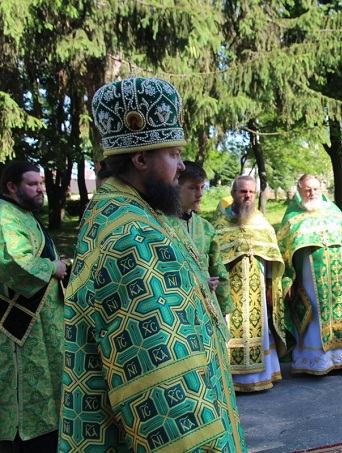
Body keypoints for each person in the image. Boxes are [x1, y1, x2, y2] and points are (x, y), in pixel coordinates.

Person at [59, 77, 246, 452]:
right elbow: (159, 377)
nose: (181, 167)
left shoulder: (133, 210)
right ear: (140, 158)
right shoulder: (133, 236)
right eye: (174, 155)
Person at [0, 161, 68, 452]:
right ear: (12, 187)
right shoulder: (4, 216)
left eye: (41, 183)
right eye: (33, 184)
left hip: (43, 326)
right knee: (26, 399)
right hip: (21, 329)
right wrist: (53, 267)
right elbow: (14, 263)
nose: (41, 189)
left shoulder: (23, 214)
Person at [277, 174, 342, 374]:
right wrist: (287, 282)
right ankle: (318, 361)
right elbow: (284, 252)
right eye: (307, 189)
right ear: (299, 191)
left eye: (316, 189)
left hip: (339, 277)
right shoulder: (292, 218)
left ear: (321, 189)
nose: (312, 193)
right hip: (309, 279)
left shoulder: (333, 211)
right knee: (315, 316)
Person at [214, 175, 285, 392]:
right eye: (243, 191)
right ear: (233, 193)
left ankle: (262, 376)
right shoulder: (219, 224)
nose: (247, 196)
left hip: (257, 288)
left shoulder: (261, 222)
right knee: (230, 329)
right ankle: (233, 380)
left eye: (251, 192)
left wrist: (273, 285)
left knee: (260, 328)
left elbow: (274, 254)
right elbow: (214, 255)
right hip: (230, 290)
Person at [166, 161, 231, 315]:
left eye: (202, 187)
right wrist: (197, 285)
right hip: (177, 310)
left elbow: (218, 270)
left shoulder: (206, 228)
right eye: (193, 188)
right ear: (176, 187)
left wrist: (223, 310)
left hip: (207, 310)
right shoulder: (162, 224)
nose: (200, 194)